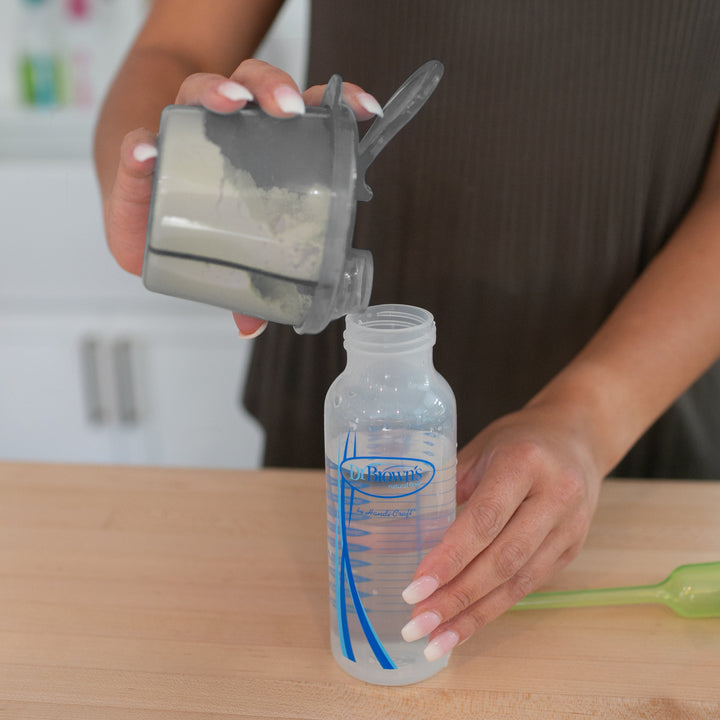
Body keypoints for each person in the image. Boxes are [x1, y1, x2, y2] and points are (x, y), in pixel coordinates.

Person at [94, 0, 720, 661]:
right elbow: (174, 50)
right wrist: (160, 171)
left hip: (639, 411)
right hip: (332, 393)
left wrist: (591, 415)